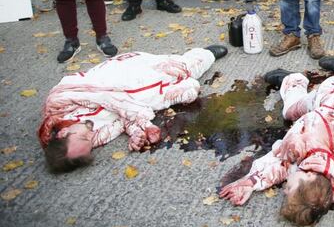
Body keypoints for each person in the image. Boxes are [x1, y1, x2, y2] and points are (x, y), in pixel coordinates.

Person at [220, 62, 334, 226]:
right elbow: (280, 159)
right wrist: (252, 179)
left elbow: (289, 169)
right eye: (289, 190)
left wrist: (251, 183)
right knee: (290, 111)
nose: (284, 190)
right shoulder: (309, 137)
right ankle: (294, 80)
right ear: (309, 174)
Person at [37, 45, 228, 173]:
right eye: (89, 142)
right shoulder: (91, 139)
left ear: (63, 133)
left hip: (119, 77)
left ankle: (206, 53)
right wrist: (138, 134)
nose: (89, 134)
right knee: (187, 90)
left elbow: (108, 97)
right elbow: (120, 121)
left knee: (181, 68)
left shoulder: (57, 104)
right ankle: (194, 64)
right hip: (137, 102)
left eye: (82, 137)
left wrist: (144, 121)